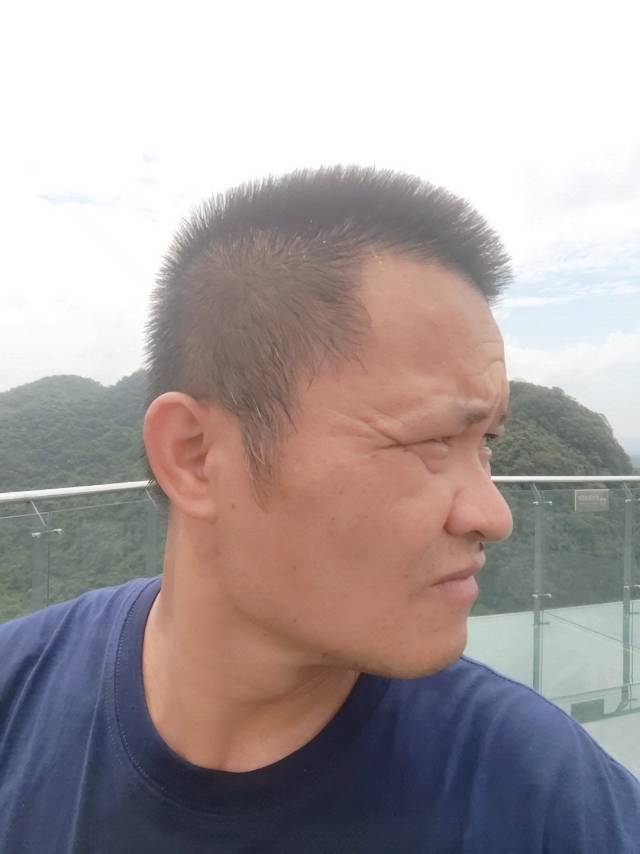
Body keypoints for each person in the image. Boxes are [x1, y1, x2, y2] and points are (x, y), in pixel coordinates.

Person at [1, 166, 638, 853]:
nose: (493, 514)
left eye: (486, 444)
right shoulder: (17, 695)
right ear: (194, 457)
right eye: (429, 441)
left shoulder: (542, 797)